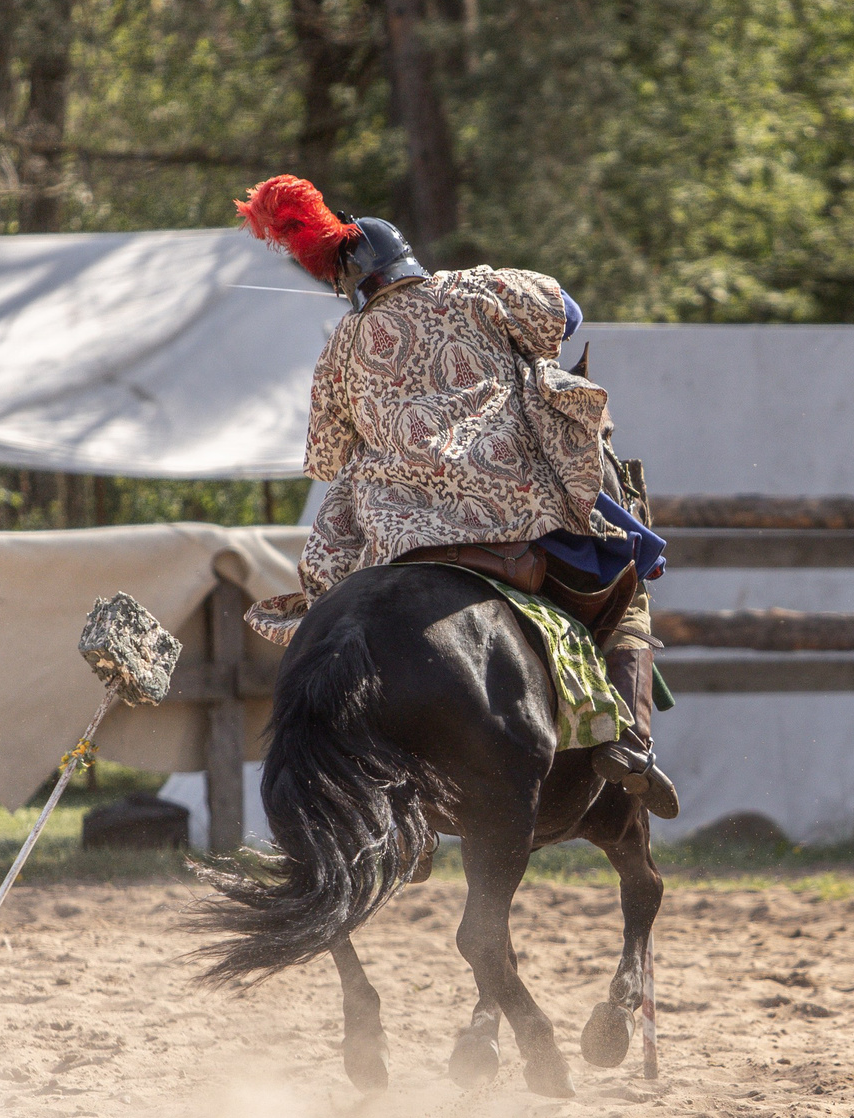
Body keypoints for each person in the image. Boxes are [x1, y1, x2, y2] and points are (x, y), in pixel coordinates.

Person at [234, 174, 678, 816]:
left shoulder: (343, 345)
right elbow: (568, 314)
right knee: (626, 582)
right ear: (407, 259)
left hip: (398, 537)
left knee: (334, 609)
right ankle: (631, 744)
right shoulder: (476, 288)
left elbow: (326, 457)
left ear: (349, 284)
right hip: (515, 512)